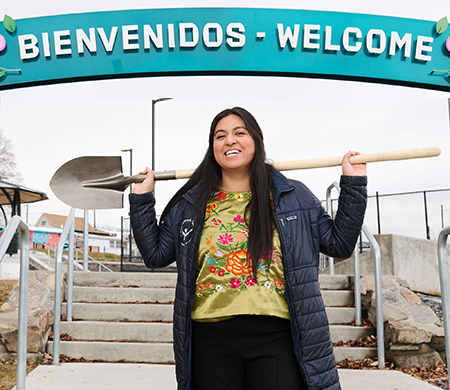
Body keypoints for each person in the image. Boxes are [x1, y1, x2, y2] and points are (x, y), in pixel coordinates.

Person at [130, 107, 367, 390]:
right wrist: (142, 200)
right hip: (210, 339)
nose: (230, 140)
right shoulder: (190, 204)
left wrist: (353, 183)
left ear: (256, 141)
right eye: (220, 136)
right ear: (213, 148)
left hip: (277, 337)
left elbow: (339, 243)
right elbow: (156, 255)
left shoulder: (293, 197)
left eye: (239, 133)